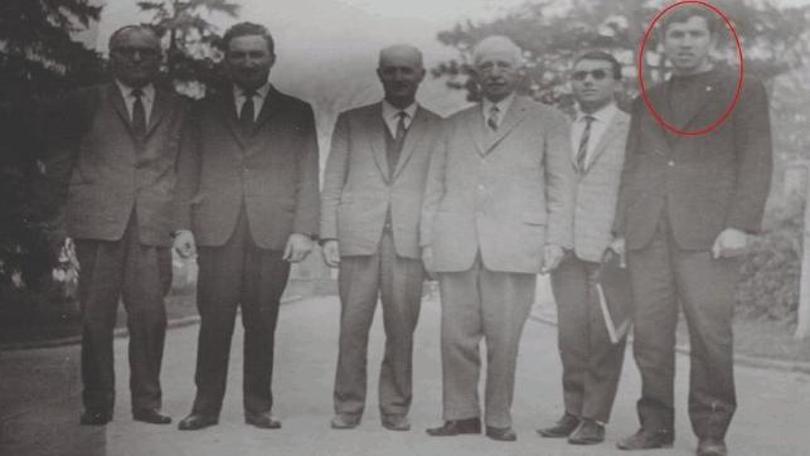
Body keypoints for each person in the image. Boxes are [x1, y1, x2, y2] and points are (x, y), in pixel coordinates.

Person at [614, 7, 772, 456]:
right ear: (663, 42)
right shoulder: (648, 99)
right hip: (649, 234)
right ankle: (655, 426)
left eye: (694, 34)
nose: (685, 42)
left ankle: (712, 432)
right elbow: (634, 167)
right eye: (676, 35)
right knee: (650, 336)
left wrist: (739, 225)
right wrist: (622, 229)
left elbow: (757, 159)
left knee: (710, 335)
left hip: (709, 236)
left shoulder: (742, 90)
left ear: (712, 41)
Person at [421, 35, 574, 442]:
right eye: (486, 65)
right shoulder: (453, 125)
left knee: (505, 339)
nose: (495, 72)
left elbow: (561, 186)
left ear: (518, 71)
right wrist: (427, 243)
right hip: (456, 244)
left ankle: (498, 416)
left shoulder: (548, 121)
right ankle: (460, 414)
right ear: (476, 73)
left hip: (515, 245)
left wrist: (556, 240)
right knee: (456, 337)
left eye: (503, 64)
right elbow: (433, 188)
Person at [44, 25, 193, 426]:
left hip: (152, 226)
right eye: (127, 51)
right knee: (96, 318)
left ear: (159, 59)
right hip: (97, 226)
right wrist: (60, 226)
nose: (137, 58)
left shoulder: (178, 107)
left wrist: (181, 225)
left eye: (146, 52)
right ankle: (97, 402)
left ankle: (147, 403)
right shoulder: (84, 102)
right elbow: (60, 164)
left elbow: (186, 169)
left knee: (151, 318)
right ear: (112, 57)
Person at [176, 22, 320, 431]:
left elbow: (308, 173)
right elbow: (186, 168)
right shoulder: (202, 110)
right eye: (238, 54)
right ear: (226, 60)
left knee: (262, 322)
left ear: (271, 59)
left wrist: (303, 230)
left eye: (256, 54)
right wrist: (182, 226)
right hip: (217, 231)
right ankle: (205, 408)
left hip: (272, 233)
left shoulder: (296, 111)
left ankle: (258, 408)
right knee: (214, 322)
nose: (248, 62)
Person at [320, 44, 443, 432]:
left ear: (421, 75)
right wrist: (329, 236)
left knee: (402, 330)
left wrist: (432, 243)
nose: (399, 77)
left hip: (408, 244)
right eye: (391, 70)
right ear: (380, 75)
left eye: (407, 70)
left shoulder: (439, 127)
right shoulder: (352, 121)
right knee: (352, 327)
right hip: (358, 240)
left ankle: (395, 408)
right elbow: (333, 182)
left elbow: (440, 190)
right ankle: (347, 406)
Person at [536, 50, 630, 445]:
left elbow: (641, 187)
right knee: (571, 335)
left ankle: (595, 417)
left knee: (605, 335)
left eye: (598, 74)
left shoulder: (633, 129)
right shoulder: (561, 129)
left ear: (617, 83)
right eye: (580, 75)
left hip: (611, 247)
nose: (588, 81)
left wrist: (624, 236)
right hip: (567, 250)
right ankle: (573, 411)